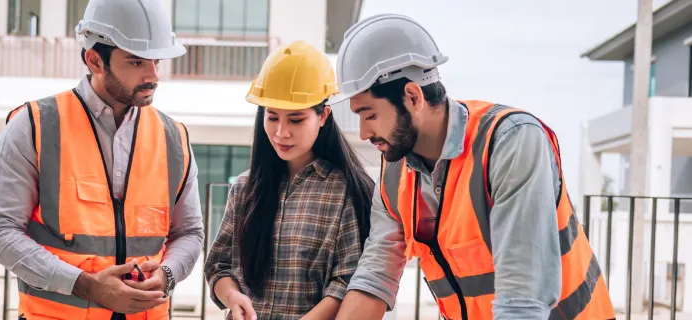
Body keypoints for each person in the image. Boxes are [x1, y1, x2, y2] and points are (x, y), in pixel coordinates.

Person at [328, 14, 616, 320]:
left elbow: (521, 302)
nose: (362, 133)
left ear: (413, 96)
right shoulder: (395, 170)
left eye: (369, 115)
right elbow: (375, 276)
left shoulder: (510, 143)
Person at [0, 0, 204, 319]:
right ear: (95, 60)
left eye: (157, 60)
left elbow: (189, 233)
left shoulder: (174, 138)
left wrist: (166, 275)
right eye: (137, 61)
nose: (153, 75)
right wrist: (85, 285)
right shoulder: (35, 126)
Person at [203, 40, 375, 320]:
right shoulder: (244, 189)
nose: (281, 133)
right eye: (272, 118)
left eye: (295, 120)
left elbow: (346, 283)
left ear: (323, 116)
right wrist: (233, 297)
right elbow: (219, 267)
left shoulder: (345, 192)